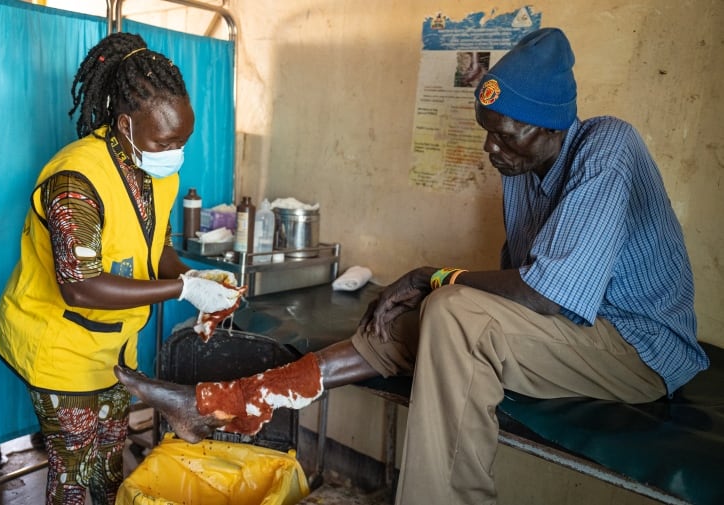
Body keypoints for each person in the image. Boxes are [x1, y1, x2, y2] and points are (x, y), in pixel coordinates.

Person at [114, 28, 710, 504]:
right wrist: (429, 290)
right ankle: (221, 402)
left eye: (503, 137)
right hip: (571, 335)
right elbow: (514, 293)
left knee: (452, 310)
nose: (490, 150)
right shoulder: (523, 173)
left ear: (547, 125)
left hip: (639, 348)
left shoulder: (608, 147)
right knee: (424, 314)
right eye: (486, 135)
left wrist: (434, 277)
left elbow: (545, 294)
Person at [0, 32, 243, 505]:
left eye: (184, 139)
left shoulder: (155, 171)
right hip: (60, 345)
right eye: (167, 140)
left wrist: (197, 278)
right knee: (73, 473)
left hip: (113, 345)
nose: (177, 151)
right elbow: (81, 288)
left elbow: (154, 250)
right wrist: (181, 289)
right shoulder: (75, 182)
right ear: (126, 124)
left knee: (109, 462)